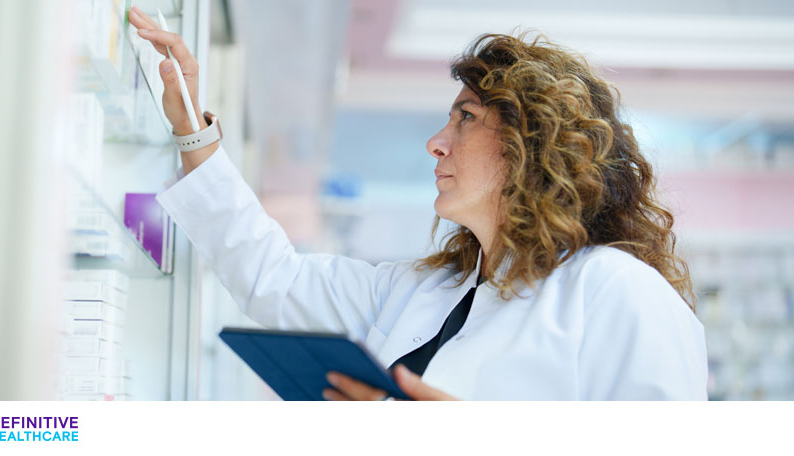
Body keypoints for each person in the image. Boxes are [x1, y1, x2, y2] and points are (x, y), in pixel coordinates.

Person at [130, 6, 708, 400]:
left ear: (530, 145)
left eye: (467, 117)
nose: (437, 141)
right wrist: (192, 130)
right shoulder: (420, 293)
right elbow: (273, 277)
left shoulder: (617, 294)